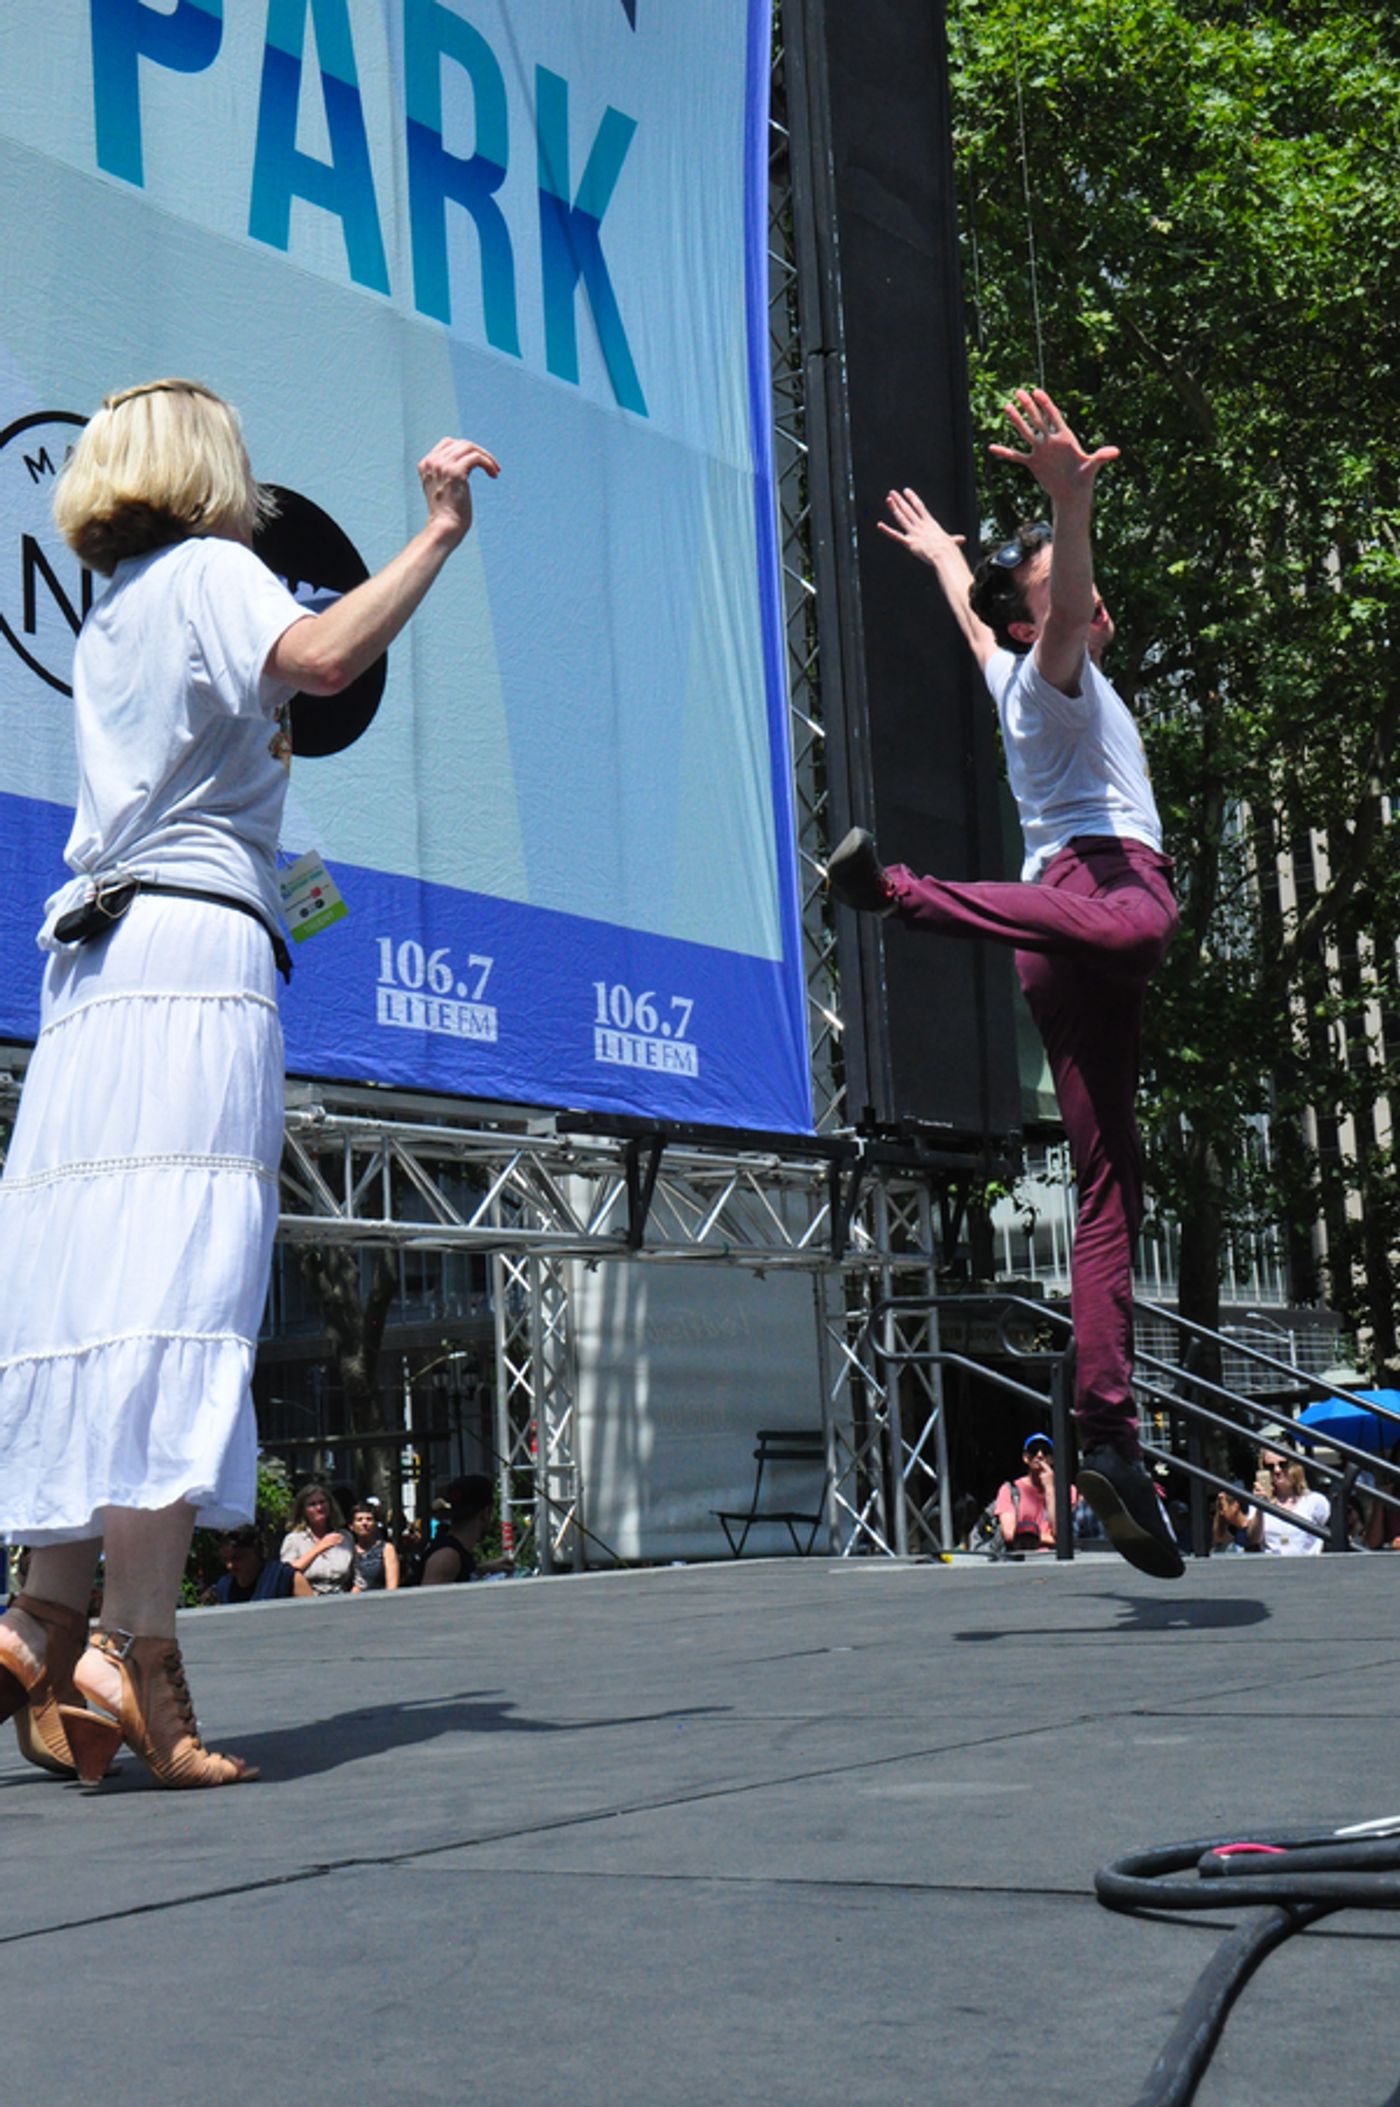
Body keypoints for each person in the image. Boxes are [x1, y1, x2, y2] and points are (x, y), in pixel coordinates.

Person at [0, 378, 499, 1787]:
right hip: (190, 956)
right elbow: (326, 657)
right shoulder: (216, 572)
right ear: (205, 468)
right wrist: (438, 533)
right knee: (179, 1285)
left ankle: (44, 1616)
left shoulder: (112, 611)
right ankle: (135, 1642)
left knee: (99, 1289)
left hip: (93, 974)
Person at [829, 386, 1181, 1582]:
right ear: (1042, 626)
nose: (1084, 599)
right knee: (1147, 926)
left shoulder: (1007, 672)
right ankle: (903, 894)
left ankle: (1108, 1436)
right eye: (1059, 596)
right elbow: (1059, 613)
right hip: (1096, 892)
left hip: (1051, 937)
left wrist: (945, 556)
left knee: (1107, 1186)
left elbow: (978, 624)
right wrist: (1067, 504)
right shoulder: (1052, 676)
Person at [419, 1475, 515, 1586]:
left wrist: (483, 1569)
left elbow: (461, 1574)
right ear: (485, 1513)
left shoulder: (452, 1553)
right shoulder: (447, 1558)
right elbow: (429, 1596)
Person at [993, 1434, 1079, 1553]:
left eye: (1045, 1451)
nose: (1039, 1455)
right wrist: (1050, 1539)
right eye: (1034, 1451)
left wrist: (1049, 1489)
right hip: (1023, 1558)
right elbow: (1009, 1534)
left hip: (1056, 1557)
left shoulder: (1068, 1491)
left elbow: (1062, 1533)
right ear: (1025, 1457)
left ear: (1052, 1458)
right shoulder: (1009, 1490)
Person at [1245, 1449, 1329, 1556]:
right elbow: (1254, 1538)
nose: (1277, 1470)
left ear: (1294, 1467)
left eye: (1283, 1464)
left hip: (1308, 1564)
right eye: (1270, 1466)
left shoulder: (1315, 1501)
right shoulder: (1259, 1502)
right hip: (1273, 1564)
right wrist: (1260, 1506)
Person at [202, 1524, 310, 1605]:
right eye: (225, 1559)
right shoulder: (224, 1587)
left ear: (257, 1552)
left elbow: (313, 1617)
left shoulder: (285, 1578)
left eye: (238, 1558)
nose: (230, 1566)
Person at [280, 1483, 354, 1595]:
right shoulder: (293, 1540)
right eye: (312, 1504)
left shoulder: (345, 1537)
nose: (319, 1508)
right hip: (308, 1599)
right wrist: (320, 1547)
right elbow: (287, 1573)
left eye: (322, 1502)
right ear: (303, 1510)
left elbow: (357, 1577)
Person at [349, 1500, 400, 1592]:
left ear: (375, 1524)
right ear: (351, 1526)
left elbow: (392, 1588)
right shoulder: (347, 1550)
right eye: (359, 1520)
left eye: (369, 1519)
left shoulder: (387, 1549)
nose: (364, 1523)